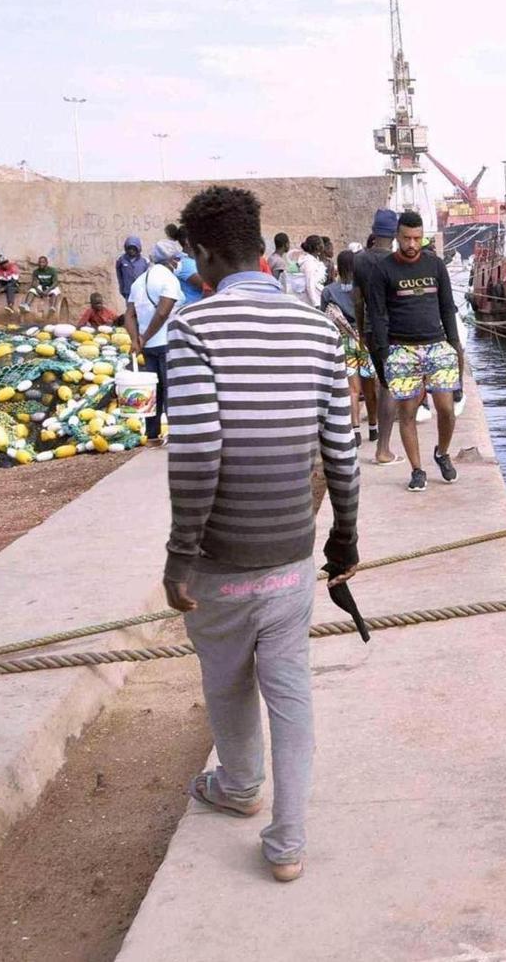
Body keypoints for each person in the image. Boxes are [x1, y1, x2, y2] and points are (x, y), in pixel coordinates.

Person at [163, 184, 359, 885]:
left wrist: (179, 556)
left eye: (192, 257)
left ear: (206, 253)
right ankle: (289, 841)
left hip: (220, 559)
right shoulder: (316, 331)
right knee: (290, 687)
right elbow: (341, 451)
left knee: (226, 679)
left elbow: (197, 455)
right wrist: (345, 541)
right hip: (290, 556)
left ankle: (239, 787)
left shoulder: (193, 329)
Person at [363, 210, 464, 491]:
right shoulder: (383, 270)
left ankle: (442, 453)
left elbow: (447, 306)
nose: (412, 244)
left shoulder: (436, 265)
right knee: (406, 412)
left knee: (446, 409)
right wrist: (384, 352)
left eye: (417, 238)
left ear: (423, 237)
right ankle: (417, 469)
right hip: (402, 348)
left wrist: (454, 344)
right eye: (406, 238)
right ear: (397, 236)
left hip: (437, 344)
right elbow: (378, 313)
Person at [354, 209, 402, 461]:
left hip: (371, 331)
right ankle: (383, 448)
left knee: (384, 383)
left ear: (374, 231)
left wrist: (361, 331)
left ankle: (383, 446)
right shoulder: (395, 260)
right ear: (394, 233)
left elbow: (358, 300)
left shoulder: (359, 260)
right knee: (390, 387)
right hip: (394, 331)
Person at [125, 246, 184, 445]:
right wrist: (145, 337)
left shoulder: (138, 281)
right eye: (177, 259)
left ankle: (152, 435)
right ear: (171, 261)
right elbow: (163, 312)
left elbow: (129, 315)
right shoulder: (169, 279)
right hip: (167, 343)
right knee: (171, 390)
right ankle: (175, 434)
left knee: (152, 391)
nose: (178, 263)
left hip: (147, 348)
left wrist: (136, 340)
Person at [320, 251, 377, 439]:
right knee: (370, 388)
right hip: (364, 341)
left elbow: (324, 317)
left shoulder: (329, 291)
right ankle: (373, 429)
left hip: (344, 342)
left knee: (352, 390)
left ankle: (356, 432)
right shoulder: (366, 287)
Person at [286, 235, 327, 307]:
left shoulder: (314, 259)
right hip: (309, 301)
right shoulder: (309, 262)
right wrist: (315, 304)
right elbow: (309, 284)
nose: (323, 246)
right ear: (317, 247)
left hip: (314, 298)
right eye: (321, 243)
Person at [115, 235, 148, 299]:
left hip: (141, 291)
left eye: (134, 248)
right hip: (128, 290)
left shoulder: (144, 261)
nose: (131, 250)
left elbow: (147, 276)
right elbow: (119, 274)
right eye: (129, 248)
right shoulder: (121, 260)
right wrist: (122, 287)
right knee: (130, 307)